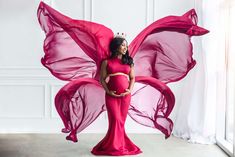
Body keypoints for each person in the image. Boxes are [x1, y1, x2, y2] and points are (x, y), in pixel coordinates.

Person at [91, 36, 142, 155]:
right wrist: (108, 91)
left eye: (126, 45)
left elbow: (133, 78)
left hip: (125, 97)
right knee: (115, 120)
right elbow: (102, 79)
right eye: (123, 45)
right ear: (116, 46)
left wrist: (129, 90)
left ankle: (118, 145)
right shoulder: (106, 62)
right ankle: (115, 146)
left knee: (121, 122)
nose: (125, 48)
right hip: (111, 96)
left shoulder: (129, 61)